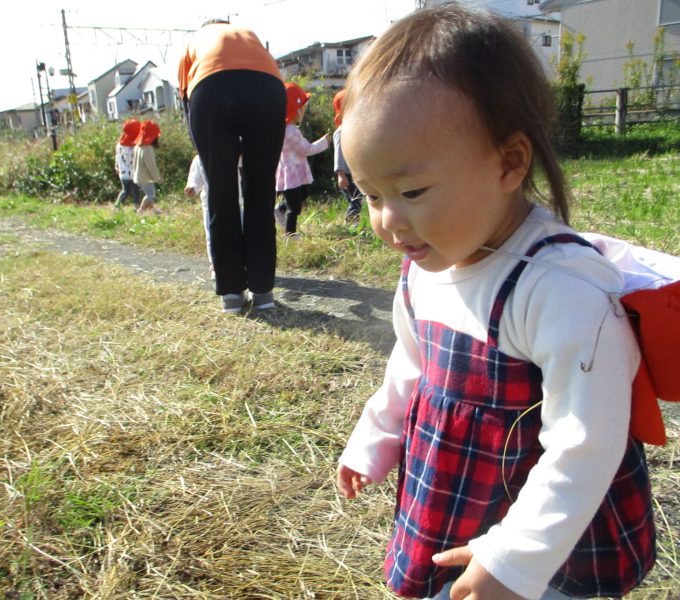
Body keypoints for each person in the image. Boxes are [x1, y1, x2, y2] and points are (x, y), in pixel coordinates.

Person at [335, 5, 655, 600]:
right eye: (369, 194)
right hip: (457, 495)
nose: (388, 220)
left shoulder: (559, 288)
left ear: (508, 162)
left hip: (554, 539)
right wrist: (375, 435)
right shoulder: (425, 264)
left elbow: (586, 443)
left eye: (410, 191)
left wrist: (516, 558)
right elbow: (410, 365)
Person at [178, 19, 286, 313]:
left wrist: (214, 156)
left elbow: (186, 102)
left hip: (210, 87)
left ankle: (232, 295)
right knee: (261, 191)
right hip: (269, 88)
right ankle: (263, 293)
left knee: (222, 193)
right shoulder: (249, 35)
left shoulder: (196, 40)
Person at [274, 82, 330, 238]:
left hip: (291, 171)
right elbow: (307, 149)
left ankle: (280, 210)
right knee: (295, 207)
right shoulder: (291, 131)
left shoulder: (283, 129)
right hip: (292, 173)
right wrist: (325, 142)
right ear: (295, 109)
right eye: (302, 107)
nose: (304, 111)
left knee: (302, 195)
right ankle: (290, 234)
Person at [332, 89, 363, 224]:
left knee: (357, 198)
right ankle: (350, 223)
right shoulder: (341, 131)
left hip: (354, 173)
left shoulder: (353, 130)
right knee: (355, 199)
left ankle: (353, 223)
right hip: (346, 175)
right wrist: (340, 174)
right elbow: (338, 154)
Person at [133, 119, 162, 215]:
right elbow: (151, 165)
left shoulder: (137, 146)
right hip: (145, 177)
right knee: (150, 195)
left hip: (138, 176)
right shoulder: (148, 149)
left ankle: (153, 211)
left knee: (149, 193)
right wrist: (156, 178)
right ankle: (140, 211)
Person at [114, 119, 141, 210]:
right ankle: (137, 206)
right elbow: (134, 160)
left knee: (125, 190)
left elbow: (117, 157)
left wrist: (117, 167)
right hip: (133, 174)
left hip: (123, 173)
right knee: (135, 190)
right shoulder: (134, 147)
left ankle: (117, 206)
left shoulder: (119, 144)